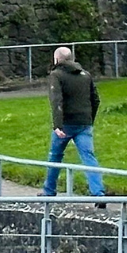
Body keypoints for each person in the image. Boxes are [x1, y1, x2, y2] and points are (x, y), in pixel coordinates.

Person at [44, 46, 105, 198]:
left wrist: (57, 125)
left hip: (66, 124)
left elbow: (56, 100)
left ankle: (49, 191)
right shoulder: (86, 75)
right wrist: (90, 119)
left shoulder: (56, 75)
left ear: (57, 59)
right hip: (84, 123)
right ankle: (99, 193)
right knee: (89, 157)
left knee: (55, 156)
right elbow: (95, 99)